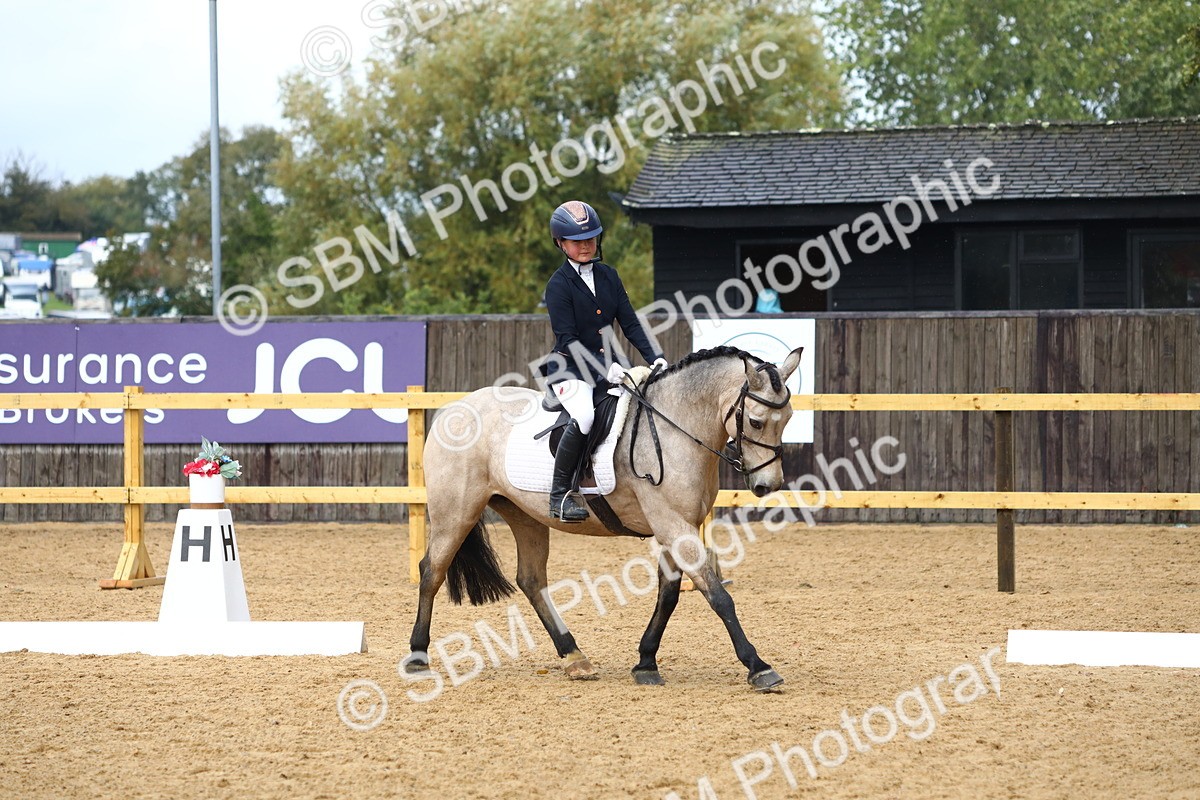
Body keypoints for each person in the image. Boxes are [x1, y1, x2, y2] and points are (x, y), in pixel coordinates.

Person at [542, 200, 666, 522]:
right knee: (584, 416)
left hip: (614, 365)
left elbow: (631, 323)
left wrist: (656, 358)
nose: (585, 245)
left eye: (590, 238)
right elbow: (567, 340)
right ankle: (560, 495)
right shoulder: (558, 285)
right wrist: (603, 369)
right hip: (571, 369)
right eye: (576, 241)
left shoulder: (609, 276)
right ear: (560, 243)